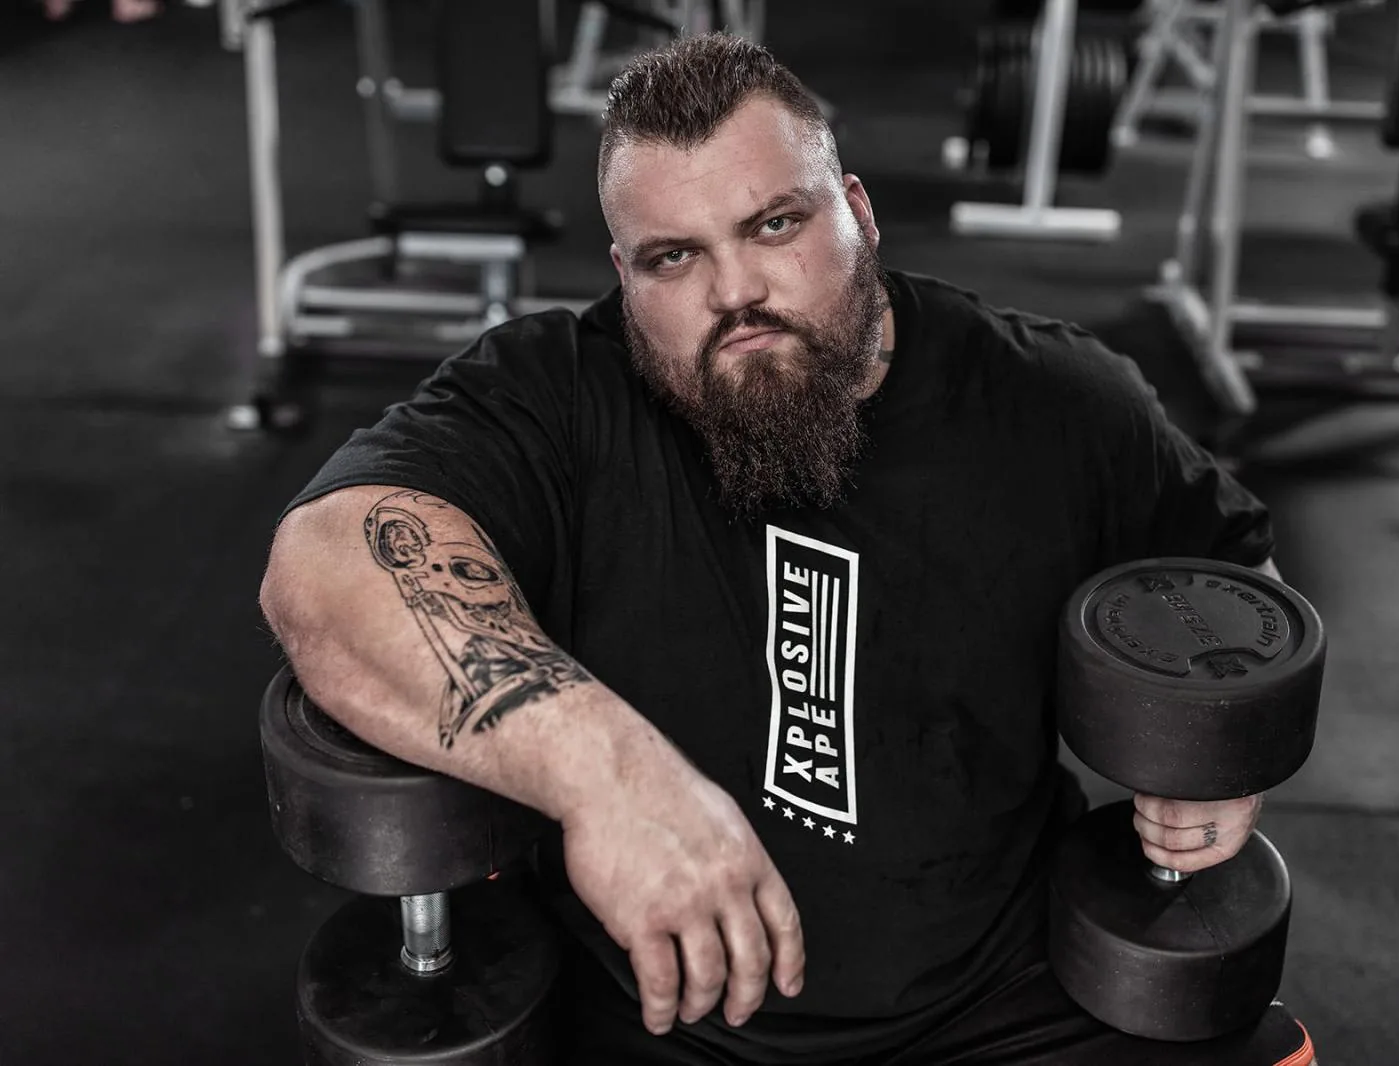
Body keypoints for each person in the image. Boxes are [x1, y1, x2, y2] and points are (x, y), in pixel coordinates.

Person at [259, 32, 1317, 1066]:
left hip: (1002, 1002)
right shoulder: (556, 397)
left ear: (856, 212)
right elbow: (323, 567)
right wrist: (609, 776)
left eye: (773, 225)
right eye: (675, 257)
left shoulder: (1056, 403)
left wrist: (1217, 754)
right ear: (624, 276)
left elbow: (1229, 581)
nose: (735, 293)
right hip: (660, 1015)